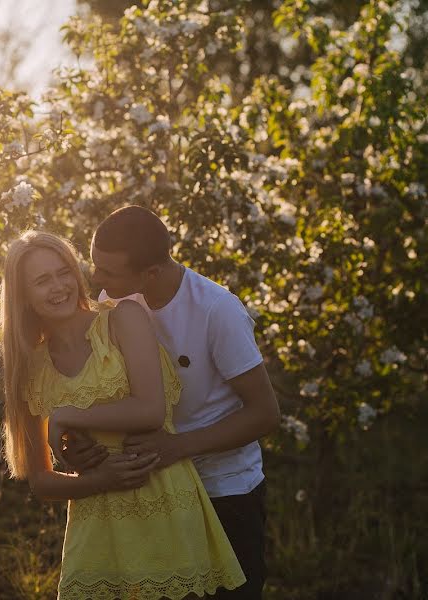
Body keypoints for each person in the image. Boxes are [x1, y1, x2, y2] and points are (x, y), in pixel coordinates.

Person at [0, 230, 246, 599]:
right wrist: (100, 480)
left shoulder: (121, 319)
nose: (59, 286)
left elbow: (150, 410)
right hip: (97, 526)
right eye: (42, 280)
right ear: (24, 296)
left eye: (63, 271)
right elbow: (40, 481)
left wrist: (69, 415)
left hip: (162, 503)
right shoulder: (29, 368)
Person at [61, 205, 280, 600]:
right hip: (155, 490)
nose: (97, 279)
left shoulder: (217, 310)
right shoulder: (114, 299)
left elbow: (265, 414)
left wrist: (176, 447)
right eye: (95, 265)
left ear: (151, 274)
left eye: (108, 271)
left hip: (224, 493)